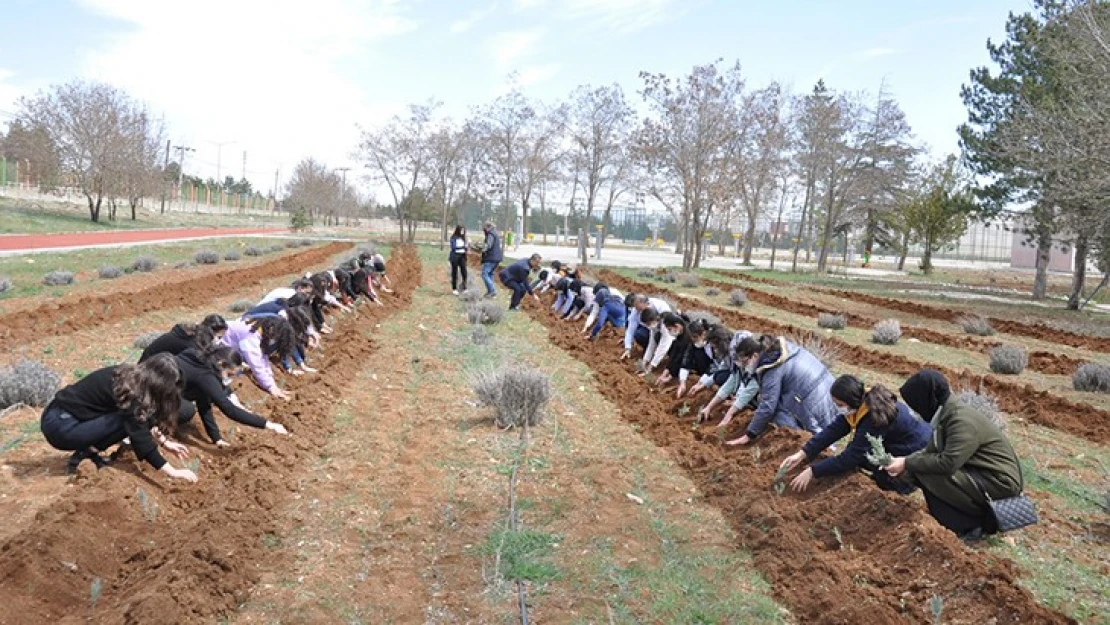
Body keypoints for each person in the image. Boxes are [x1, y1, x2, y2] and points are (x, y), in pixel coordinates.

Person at [883, 370, 1024, 539]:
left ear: (927, 399)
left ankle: (970, 526)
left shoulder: (960, 420)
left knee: (926, 471)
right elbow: (933, 451)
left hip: (999, 483)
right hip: (984, 475)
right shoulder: (949, 415)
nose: (916, 411)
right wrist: (904, 461)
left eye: (916, 404)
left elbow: (948, 462)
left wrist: (907, 463)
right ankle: (961, 519)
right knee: (918, 467)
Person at [39, 353, 197, 481]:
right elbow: (140, 437)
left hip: (63, 416)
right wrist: (173, 472)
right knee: (127, 421)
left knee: (132, 418)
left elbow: (144, 420)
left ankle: (88, 453)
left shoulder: (130, 377)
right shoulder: (132, 394)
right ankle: (83, 456)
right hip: (60, 427)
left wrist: (164, 442)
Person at [778, 376, 931, 494]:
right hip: (899, 441)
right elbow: (834, 430)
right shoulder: (861, 403)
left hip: (917, 448)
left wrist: (813, 471)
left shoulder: (874, 417)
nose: (839, 409)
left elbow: (851, 457)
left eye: (840, 405)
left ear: (851, 401)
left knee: (880, 469)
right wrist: (803, 453)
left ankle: (898, 488)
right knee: (866, 455)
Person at [725, 335, 836, 446]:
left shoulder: (771, 367)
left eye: (745, 363)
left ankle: (806, 442)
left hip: (814, 400)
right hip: (829, 391)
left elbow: (768, 406)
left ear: (754, 355)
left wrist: (748, 435)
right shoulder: (781, 350)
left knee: (777, 413)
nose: (745, 367)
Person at [175, 345, 289, 447]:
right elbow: (230, 410)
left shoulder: (199, 359)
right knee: (187, 411)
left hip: (167, 386)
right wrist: (268, 424)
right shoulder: (206, 376)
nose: (229, 378)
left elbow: (203, 403)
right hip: (160, 393)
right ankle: (161, 425)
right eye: (229, 374)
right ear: (221, 364)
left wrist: (216, 438)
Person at [696, 333, 762, 427]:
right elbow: (730, 383)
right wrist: (709, 407)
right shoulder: (743, 365)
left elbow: (749, 391)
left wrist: (728, 416)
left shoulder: (759, 367)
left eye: (743, 360)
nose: (739, 363)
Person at [221, 317, 294, 400]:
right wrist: (271, 387)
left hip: (228, 347)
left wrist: (272, 383)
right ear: (272, 330)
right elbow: (256, 365)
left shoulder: (260, 329)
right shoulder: (250, 338)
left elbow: (263, 357)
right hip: (215, 346)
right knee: (233, 373)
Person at [139, 314, 228, 362]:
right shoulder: (190, 343)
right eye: (219, 337)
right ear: (211, 332)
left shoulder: (194, 334)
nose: (218, 340)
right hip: (148, 367)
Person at [622, 294, 673, 359]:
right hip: (650, 330)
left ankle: (665, 354)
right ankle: (650, 353)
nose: (638, 311)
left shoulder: (660, 306)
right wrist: (627, 348)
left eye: (639, 308)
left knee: (660, 338)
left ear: (646, 303)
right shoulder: (636, 311)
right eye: (636, 308)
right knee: (639, 334)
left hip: (665, 330)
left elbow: (669, 327)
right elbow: (630, 330)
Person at [478, 221, 503, 298]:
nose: (483, 230)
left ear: (487, 227)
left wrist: (480, 248)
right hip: (497, 257)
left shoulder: (491, 234)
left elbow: (488, 245)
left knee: (484, 274)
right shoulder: (495, 233)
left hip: (491, 258)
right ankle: (490, 292)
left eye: (484, 228)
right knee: (490, 274)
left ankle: (492, 291)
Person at [449, 225, 469, 294]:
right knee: (454, 272)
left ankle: (464, 287)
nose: (462, 232)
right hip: (455, 256)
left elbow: (466, 247)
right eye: (461, 230)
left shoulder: (464, 238)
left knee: (464, 272)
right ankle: (454, 288)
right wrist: (463, 247)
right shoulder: (453, 238)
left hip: (462, 256)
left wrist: (466, 247)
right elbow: (454, 247)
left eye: (463, 231)